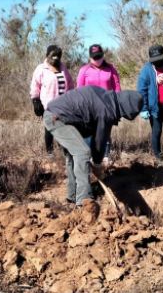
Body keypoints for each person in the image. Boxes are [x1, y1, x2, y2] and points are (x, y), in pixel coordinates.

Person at [43, 87, 143, 221]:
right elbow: (100, 140)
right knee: (82, 152)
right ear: (126, 108)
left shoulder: (108, 100)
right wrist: (97, 163)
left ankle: (72, 197)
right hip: (57, 118)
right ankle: (84, 202)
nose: (122, 117)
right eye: (125, 115)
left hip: (61, 116)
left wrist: (96, 161)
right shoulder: (107, 110)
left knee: (75, 155)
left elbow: (98, 136)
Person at [77, 44, 121, 165]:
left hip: (107, 106)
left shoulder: (111, 69)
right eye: (94, 57)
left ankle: (106, 155)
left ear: (103, 55)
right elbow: (79, 90)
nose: (97, 60)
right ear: (90, 57)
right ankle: (90, 156)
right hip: (89, 107)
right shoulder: (84, 70)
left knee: (105, 131)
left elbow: (117, 87)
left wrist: (117, 105)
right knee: (90, 132)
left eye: (99, 57)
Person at [30, 45, 74, 156]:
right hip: (48, 105)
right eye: (53, 56)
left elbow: (70, 84)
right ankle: (50, 153)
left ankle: (64, 152)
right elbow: (35, 85)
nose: (55, 58)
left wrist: (72, 99)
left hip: (63, 105)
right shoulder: (41, 69)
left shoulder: (63, 68)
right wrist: (35, 100)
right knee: (49, 129)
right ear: (47, 55)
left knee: (63, 129)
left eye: (57, 56)